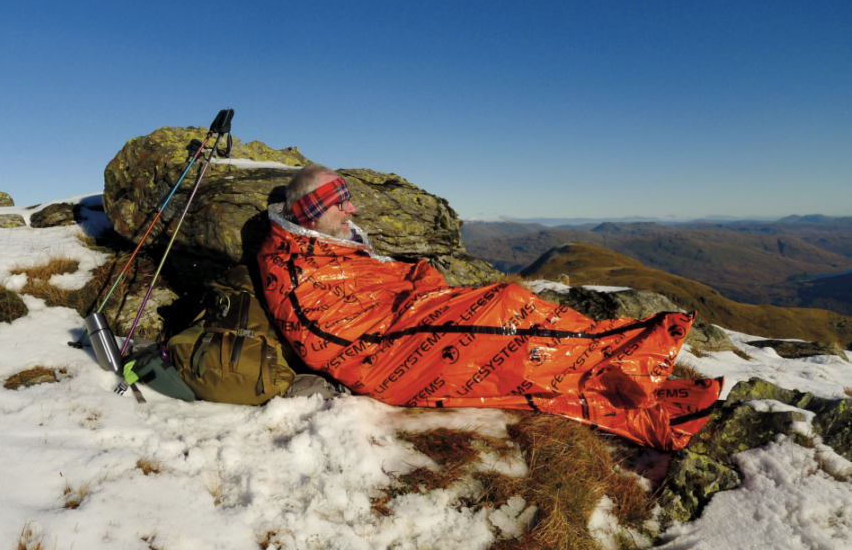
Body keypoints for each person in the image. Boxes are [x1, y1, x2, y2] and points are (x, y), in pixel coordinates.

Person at [258, 165, 722, 450]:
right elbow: (332, 337)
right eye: (342, 204)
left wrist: (420, 288)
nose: (354, 210)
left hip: (403, 325)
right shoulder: (293, 264)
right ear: (313, 211)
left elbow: (379, 281)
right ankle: (615, 368)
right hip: (385, 356)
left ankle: (616, 362)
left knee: (508, 305)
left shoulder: (320, 243)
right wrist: (419, 306)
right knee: (504, 314)